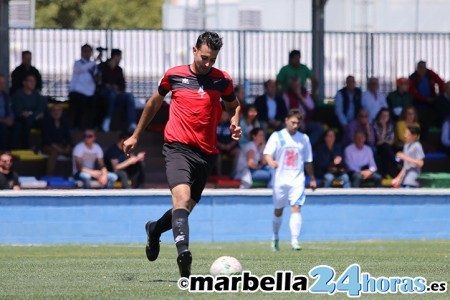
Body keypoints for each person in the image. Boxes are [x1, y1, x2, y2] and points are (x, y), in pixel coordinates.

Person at [123, 32, 242, 278]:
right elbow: (153, 104)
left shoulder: (223, 80)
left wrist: (235, 121)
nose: (208, 64)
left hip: (206, 153)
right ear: (194, 50)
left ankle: (154, 230)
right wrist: (135, 135)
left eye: (213, 60)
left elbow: (234, 104)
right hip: (177, 147)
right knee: (181, 198)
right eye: (205, 58)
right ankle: (183, 254)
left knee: (185, 208)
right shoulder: (174, 74)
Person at [263, 108, 316, 251]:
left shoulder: (304, 139)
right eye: (293, 122)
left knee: (296, 207)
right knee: (278, 210)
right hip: (280, 179)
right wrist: (271, 162)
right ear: (286, 120)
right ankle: (275, 237)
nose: (295, 125)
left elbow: (308, 160)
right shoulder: (277, 136)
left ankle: (294, 240)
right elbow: (267, 153)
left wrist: (311, 178)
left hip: (297, 179)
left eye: (297, 123)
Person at [98, 49, 137, 132]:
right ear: (115, 56)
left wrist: (116, 88)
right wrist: (111, 86)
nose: (120, 59)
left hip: (117, 94)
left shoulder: (119, 70)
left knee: (129, 96)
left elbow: (122, 86)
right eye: (120, 57)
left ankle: (132, 124)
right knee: (111, 93)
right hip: (104, 94)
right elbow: (99, 83)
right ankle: (107, 121)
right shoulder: (102, 66)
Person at [283, 77, 323, 146]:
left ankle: (307, 145)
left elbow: (311, 107)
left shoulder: (305, 93)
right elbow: (287, 111)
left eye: (297, 85)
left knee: (319, 128)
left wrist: (300, 96)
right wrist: (298, 122)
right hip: (294, 122)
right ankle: (298, 147)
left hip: (306, 121)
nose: (295, 87)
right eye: (294, 85)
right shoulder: (286, 95)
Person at [409, 61, 445, 138]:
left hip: (432, 102)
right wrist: (425, 99)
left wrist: (439, 95)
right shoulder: (413, 77)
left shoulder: (430, 74)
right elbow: (413, 93)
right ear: (417, 68)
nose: (422, 70)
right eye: (420, 67)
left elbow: (441, 83)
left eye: (423, 67)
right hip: (418, 104)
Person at [11, 74, 47, 149]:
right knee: (27, 121)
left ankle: (45, 147)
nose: (33, 83)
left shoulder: (37, 94)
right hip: (22, 120)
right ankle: (25, 147)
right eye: (31, 81)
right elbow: (19, 112)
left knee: (46, 122)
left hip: (35, 119)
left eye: (34, 81)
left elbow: (40, 110)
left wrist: (31, 113)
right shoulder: (18, 94)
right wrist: (33, 114)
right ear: (24, 82)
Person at [68, 44, 99, 130]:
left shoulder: (93, 65)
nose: (87, 53)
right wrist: (95, 61)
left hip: (90, 93)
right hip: (77, 92)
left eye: (89, 51)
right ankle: (76, 126)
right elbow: (81, 69)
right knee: (79, 105)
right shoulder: (77, 63)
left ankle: (93, 126)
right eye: (85, 51)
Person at [41, 104, 73, 176]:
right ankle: (49, 176)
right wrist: (59, 149)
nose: (56, 112)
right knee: (54, 153)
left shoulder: (64, 122)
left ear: (61, 112)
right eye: (54, 110)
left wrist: (67, 147)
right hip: (49, 146)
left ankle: (74, 175)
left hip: (61, 145)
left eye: (58, 110)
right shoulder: (46, 122)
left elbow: (69, 138)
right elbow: (47, 139)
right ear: (51, 112)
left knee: (75, 151)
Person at [373, 108, 397, 178]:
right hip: (377, 148)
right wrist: (384, 127)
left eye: (387, 116)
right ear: (379, 115)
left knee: (385, 149)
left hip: (387, 148)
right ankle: (395, 161)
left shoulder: (391, 125)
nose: (384, 118)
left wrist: (384, 141)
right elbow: (378, 142)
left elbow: (391, 142)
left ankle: (385, 174)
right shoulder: (375, 124)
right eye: (383, 115)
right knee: (384, 147)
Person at [216, 110, 240, 176]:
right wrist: (220, 145)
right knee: (217, 154)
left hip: (229, 147)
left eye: (227, 115)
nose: (227, 117)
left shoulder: (231, 125)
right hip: (218, 147)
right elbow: (211, 138)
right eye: (224, 115)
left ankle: (233, 173)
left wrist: (229, 145)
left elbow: (236, 138)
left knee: (238, 151)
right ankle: (219, 174)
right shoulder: (215, 124)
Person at [0, 75, 14, 150]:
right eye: (0, 83)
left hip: (5, 120)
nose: (2, 86)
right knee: (3, 127)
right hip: (1, 121)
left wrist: (10, 118)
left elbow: (10, 109)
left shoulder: (5, 96)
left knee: (17, 126)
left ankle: (13, 151)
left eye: (3, 83)